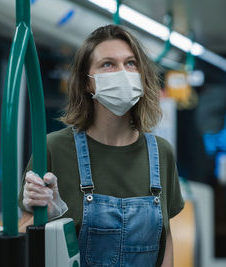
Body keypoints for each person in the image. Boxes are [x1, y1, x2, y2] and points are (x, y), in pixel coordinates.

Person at [18, 24, 184, 267]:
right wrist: (48, 221)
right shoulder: (52, 149)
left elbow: (165, 240)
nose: (123, 73)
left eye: (130, 63)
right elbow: (21, 238)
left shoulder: (161, 153)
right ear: (88, 82)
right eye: (108, 64)